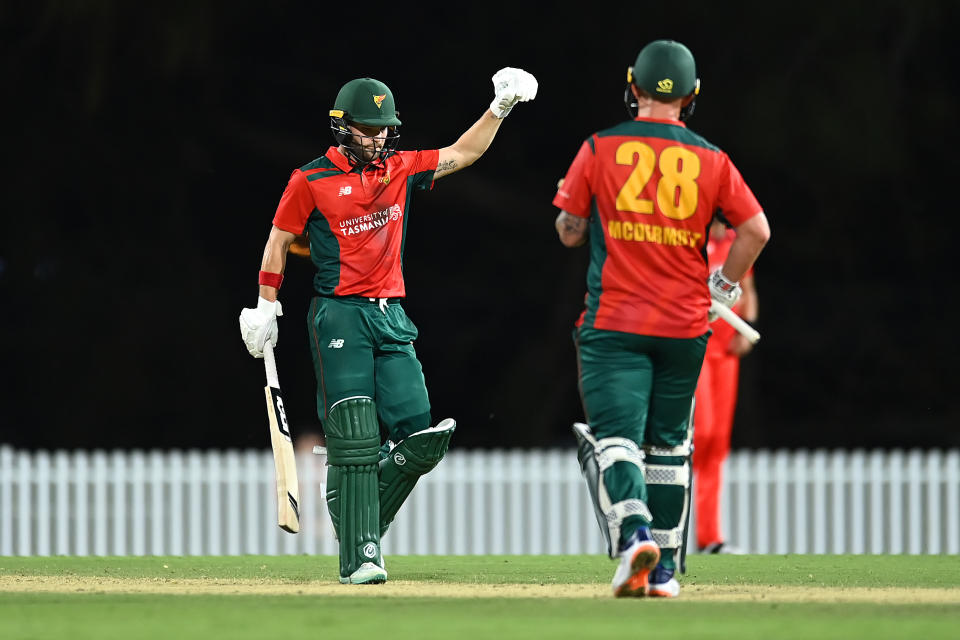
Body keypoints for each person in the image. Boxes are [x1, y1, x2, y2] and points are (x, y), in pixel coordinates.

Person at [239, 69, 538, 585]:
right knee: (355, 431)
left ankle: (351, 509)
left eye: (382, 128)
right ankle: (361, 555)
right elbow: (278, 242)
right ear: (342, 126)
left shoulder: (398, 168)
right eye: (366, 128)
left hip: (390, 314)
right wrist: (265, 306)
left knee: (421, 433)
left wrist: (500, 107)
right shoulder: (308, 180)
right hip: (338, 313)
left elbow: (461, 154)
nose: (376, 137)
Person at [554, 39, 769, 598]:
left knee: (616, 440)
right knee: (670, 448)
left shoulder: (600, 147)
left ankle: (634, 537)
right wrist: (722, 284)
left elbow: (570, 230)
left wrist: (586, 220)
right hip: (685, 325)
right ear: (692, 96)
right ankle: (666, 571)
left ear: (634, 87)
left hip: (615, 321)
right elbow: (756, 231)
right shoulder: (712, 158)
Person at [693, 217, 758, 555]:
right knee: (701, 434)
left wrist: (747, 328)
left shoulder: (737, 241)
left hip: (727, 351)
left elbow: (748, 290)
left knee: (717, 443)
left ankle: (709, 537)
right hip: (698, 348)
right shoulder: (692, 240)